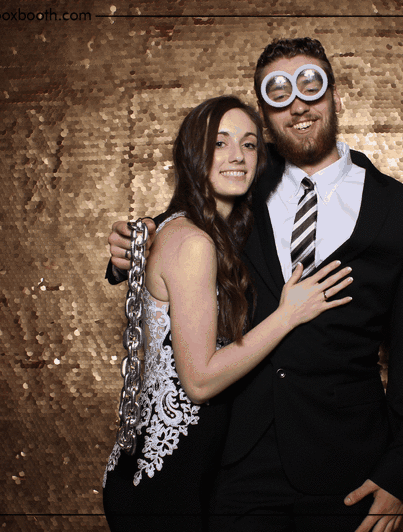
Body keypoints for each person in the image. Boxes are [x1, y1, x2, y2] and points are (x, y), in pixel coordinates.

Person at [107, 38, 403, 532]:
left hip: (347, 462)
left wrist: (399, 473)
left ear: (336, 97)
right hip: (236, 458)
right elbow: (186, 222)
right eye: (280, 94)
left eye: (311, 86)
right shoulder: (242, 177)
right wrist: (130, 250)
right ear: (264, 115)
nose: (298, 105)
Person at [101, 95, 354, 532]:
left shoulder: (198, 229)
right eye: (219, 143)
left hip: (185, 471)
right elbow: (199, 381)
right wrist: (288, 314)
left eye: (249, 144)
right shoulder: (194, 244)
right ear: (192, 155)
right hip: (168, 483)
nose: (237, 155)